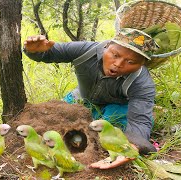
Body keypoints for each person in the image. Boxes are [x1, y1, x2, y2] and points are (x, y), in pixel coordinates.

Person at [23, 28, 158, 169]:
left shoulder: (142, 82)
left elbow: (140, 121)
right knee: (54, 117)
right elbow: (50, 52)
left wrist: (131, 147)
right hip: (82, 98)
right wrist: (35, 51)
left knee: (107, 128)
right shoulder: (87, 50)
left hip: (116, 107)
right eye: (115, 55)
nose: (118, 64)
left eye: (130, 62)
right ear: (106, 46)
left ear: (141, 65)